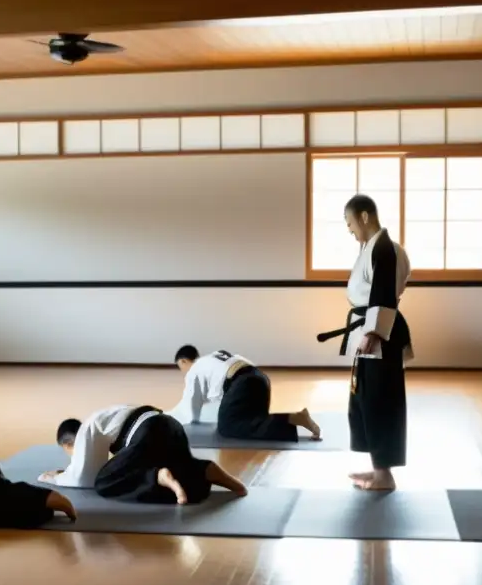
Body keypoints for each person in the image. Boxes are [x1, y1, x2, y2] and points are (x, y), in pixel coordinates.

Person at [342, 194, 413, 491]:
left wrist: (372, 333)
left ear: (365, 217)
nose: (349, 229)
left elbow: (384, 294)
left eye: (350, 222)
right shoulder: (371, 249)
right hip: (369, 330)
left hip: (378, 335)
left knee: (381, 402)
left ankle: (385, 475)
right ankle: (378, 468)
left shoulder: (385, 249)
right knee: (366, 401)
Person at [39, 404, 247, 504]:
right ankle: (204, 470)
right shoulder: (111, 413)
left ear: (69, 444)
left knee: (104, 482)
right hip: (170, 427)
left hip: (148, 434)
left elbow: (84, 477)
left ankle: (157, 476)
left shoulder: (88, 427)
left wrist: (55, 477)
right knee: (182, 469)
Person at [168, 346, 321, 441]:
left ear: (183, 361)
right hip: (259, 379)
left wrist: (171, 418)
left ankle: (293, 418)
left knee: (227, 427)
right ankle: (291, 418)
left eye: (179, 367)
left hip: (243, 384)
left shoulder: (194, 370)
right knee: (251, 419)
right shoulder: (214, 356)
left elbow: (191, 410)